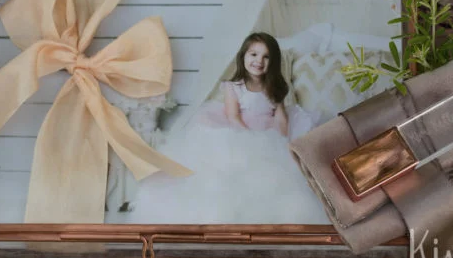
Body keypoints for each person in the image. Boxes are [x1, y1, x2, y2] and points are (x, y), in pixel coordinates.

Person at [116, 32, 329, 225]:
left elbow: (282, 118)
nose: (258, 61)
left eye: (266, 57)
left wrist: (279, 140)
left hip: (270, 132)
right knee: (231, 162)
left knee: (283, 168)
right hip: (242, 131)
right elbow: (233, 116)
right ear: (243, 57)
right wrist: (251, 138)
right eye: (253, 54)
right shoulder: (233, 86)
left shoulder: (274, 87)